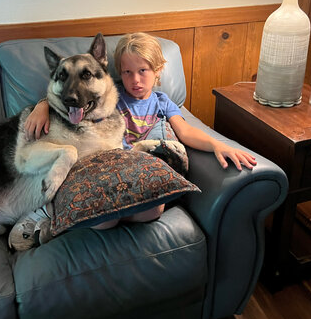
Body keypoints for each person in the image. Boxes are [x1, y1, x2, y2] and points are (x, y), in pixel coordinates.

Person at [15, 33, 256, 243]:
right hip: (109, 168)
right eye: (127, 72)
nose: (135, 80)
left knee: (154, 211)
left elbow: (186, 131)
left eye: (143, 71)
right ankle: (57, 216)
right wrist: (42, 105)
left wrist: (217, 145)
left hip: (137, 171)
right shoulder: (111, 95)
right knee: (104, 222)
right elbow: (73, 98)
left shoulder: (162, 102)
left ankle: (100, 215)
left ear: (158, 70)